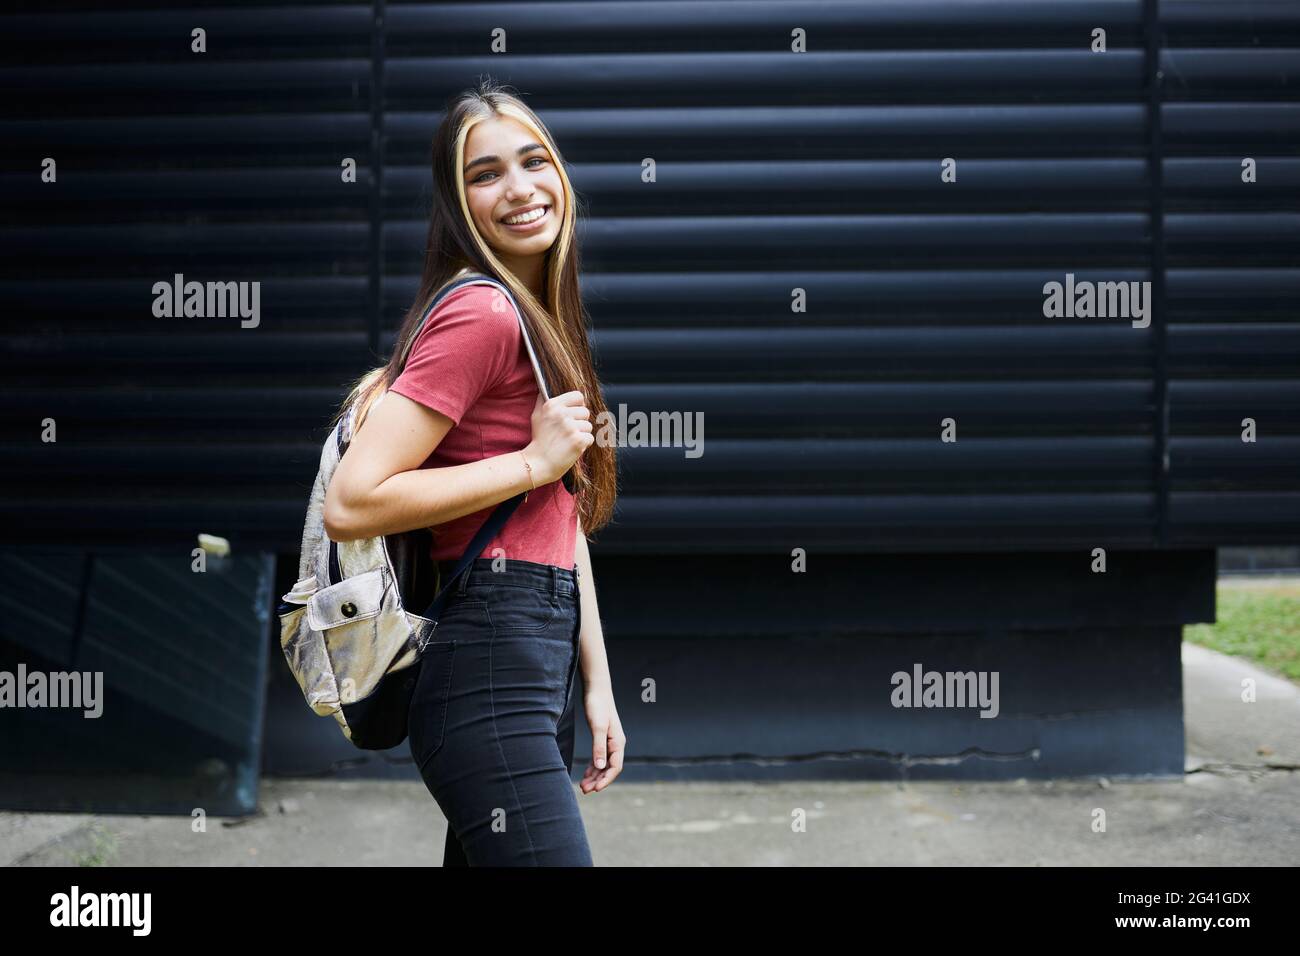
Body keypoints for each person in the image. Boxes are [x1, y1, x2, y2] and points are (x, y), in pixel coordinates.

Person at [321, 78, 625, 866]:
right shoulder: (481, 314)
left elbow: (558, 518)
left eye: (534, 161)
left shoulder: (533, 317)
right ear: (456, 204)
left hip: (529, 657)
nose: (520, 188)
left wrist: (598, 682)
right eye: (485, 174)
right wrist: (528, 460)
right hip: (487, 662)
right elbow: (354, 502)